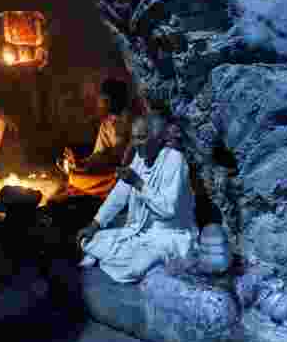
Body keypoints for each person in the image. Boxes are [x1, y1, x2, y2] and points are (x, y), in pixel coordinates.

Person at [75, 113, 198, 283]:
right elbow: (118, 196)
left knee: (136, 267)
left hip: (168, 237)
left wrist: (138, 183)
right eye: (134, 138)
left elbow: (169, 209)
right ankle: (111, 258)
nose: (136, 144)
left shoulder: (174, 160)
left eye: (141, 138)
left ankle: (107, 260)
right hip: (139, 233)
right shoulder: (139, 159)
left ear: (157, 138)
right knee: (89, 240)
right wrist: (94, 225)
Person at [63, 79, 132, 198]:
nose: (99, 103)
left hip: (126, 173)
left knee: (119, 182)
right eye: (101, 100)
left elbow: (124, 155)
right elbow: (98, 154)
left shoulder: (132, 121)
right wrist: (79, 163)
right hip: (109, 173)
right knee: (74, 177)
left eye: (103, 100)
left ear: (113, 101)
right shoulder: (105, 125)